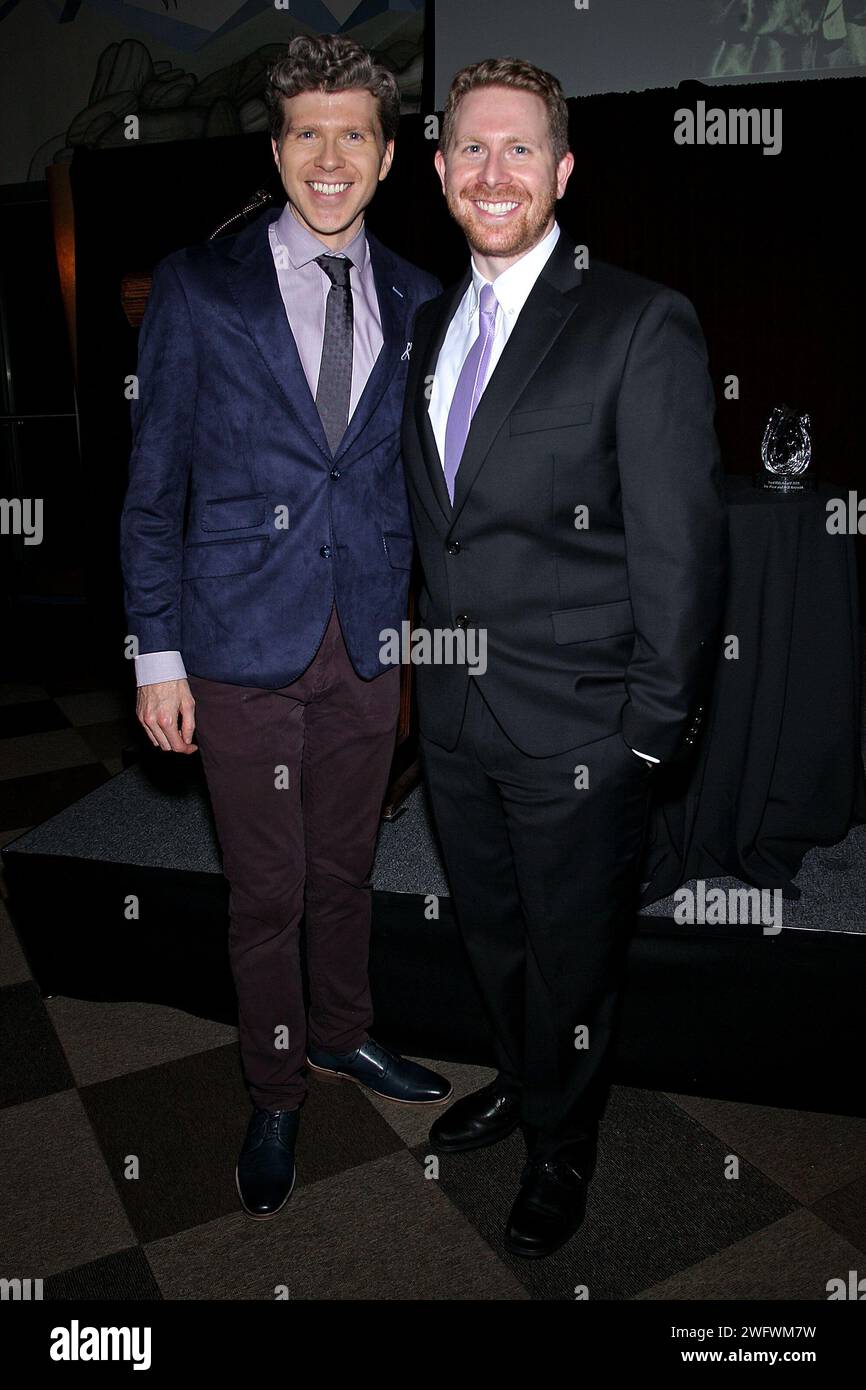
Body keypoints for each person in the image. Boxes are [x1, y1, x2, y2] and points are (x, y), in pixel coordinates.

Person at [401, 57, 728, 1258]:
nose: (494, 172)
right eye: (470, 151)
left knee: (574, 956)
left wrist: (650, 727)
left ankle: (562, 1141)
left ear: (563, 170)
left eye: (519, 149)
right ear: (438, 174)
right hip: (452, 719)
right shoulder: (429, 327)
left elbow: (681, 551)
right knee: (492, 936)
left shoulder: (636, 319)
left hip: (584, 728)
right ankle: (525, 1075)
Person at [120, 34, 448, 1222]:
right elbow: (154, 488)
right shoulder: (199, 286)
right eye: (304, 131)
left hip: (364, 643)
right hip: (237, 646)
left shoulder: (421, 296)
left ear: (386, 153)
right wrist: (156, 654)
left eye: (350, 132)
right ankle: (273, 1086)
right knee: (266, 890)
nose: (326, 155)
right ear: (275, 146)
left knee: (346, 870)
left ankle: (345, 1034)